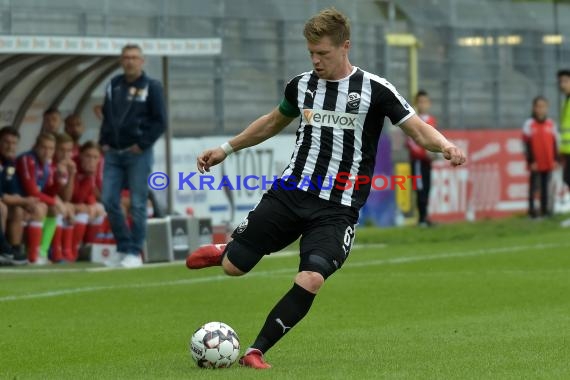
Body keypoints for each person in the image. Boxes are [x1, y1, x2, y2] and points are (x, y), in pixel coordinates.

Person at [185, 8, 466, 369]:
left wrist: (445, 145)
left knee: (312, 275)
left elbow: (416, 127)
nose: (316, 61)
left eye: (323, 53)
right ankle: (230, 249)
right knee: (235, 268)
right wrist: (226, 149)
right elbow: (272, 122)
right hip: (291, 193)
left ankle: (256, 351)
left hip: (338, 208)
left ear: (345, 46)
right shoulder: (300, 86)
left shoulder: (375, 90)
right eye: (311, 53)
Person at [98, 43, 167, 268]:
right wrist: (103, 141)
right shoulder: (114, 85)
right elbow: (107, 116)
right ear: (121, 60)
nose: (130, 61)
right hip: (113, 153)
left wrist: (143, 143)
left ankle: (135, 252)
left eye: (134, 57)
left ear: (142, 61)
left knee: (138, 203)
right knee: (108, 200)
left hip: (138, 153)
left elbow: (160, 121)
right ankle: (123, 247)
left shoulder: (151, 86)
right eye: (126, 57)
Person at [16, 132, 66, 264]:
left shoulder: (46, 166)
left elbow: (47, 191)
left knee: (53, 210)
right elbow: (31, 191)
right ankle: (32, 256)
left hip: (29, 200)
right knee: (41, 208)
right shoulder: (27, 159)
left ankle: (42, 252)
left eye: (51, 148)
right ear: (35, 147)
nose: (47, 152)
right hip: (17, 199)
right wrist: (54, 201)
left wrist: (59, 181)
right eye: (44, 147)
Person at [0, 126, 45, 265]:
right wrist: (24, 200)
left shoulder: (10, 164)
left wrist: (25, 202)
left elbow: (14, 192)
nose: (10, 147)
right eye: (6, 142)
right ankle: (3, 250)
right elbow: (2, 196)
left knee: (18, 210)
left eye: (14, 143)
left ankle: (15, 249)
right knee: (2, 208)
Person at [405, 90, 438, 226]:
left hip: (427, 162)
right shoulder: (413, 119)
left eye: (425, 102)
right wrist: (424, 153)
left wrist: (435, 152)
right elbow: (411, 141)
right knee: (420, 188)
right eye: (420, 102)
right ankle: (422, 219)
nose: (423, 105)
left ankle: (424, 217)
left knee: (427, 187)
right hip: (418, 161)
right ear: (416, 104)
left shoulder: (431, 120)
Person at [522, 96, 559, 219]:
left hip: (548, 162)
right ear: (534, 108)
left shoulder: (551, 124)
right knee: (534, 188)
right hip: (536, 163)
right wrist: (531, 161)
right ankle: (532, 212)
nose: (540, 109)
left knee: (546, 188)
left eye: (543, 106)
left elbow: (554, 143)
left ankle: (545, 211)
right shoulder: (529, 124)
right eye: (538, 106)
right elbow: (526, 144)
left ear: (547, 108)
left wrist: (556, 159)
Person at [558, 70, 570, 227]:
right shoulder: (566, 101)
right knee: (567, 179)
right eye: (560, 81)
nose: (562, 85)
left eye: (565, 81)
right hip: (567, 150)